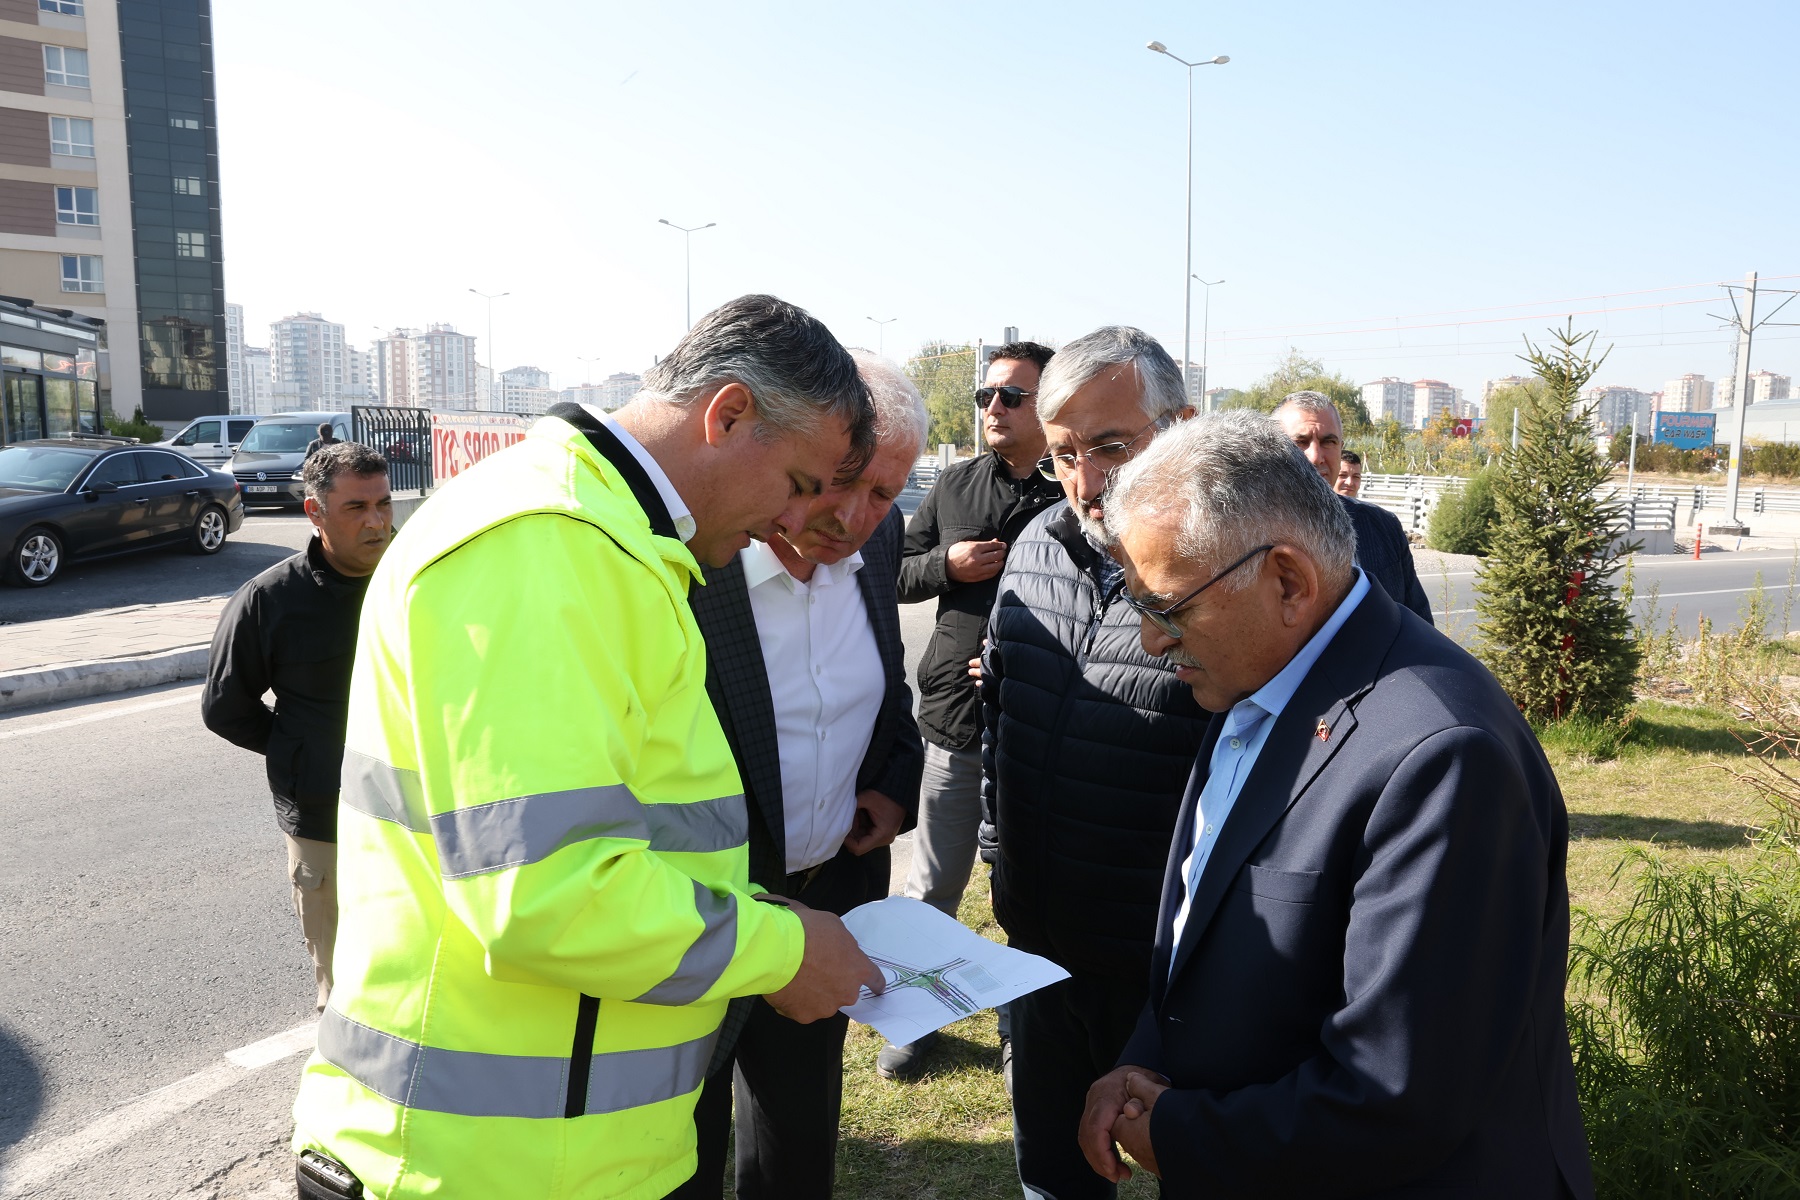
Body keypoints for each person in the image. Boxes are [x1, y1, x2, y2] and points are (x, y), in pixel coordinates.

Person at [289, 295, 885, 1199]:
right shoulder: (549, 545)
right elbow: (545, 890)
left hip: (559, 1156)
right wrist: (783, 950)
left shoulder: (609, 541)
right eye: (801, 483)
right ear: (728, 415)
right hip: (481, 1168)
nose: (792, 521)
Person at [1080, 411, 1594, 1199]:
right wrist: (1145, 1060)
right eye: (1137, 601)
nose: (1151, 642)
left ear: (1287, 582)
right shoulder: (1256, 676)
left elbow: (1397, 1092)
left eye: (1170, 609)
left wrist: (1179, 1132)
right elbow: (1205, 927)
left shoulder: (1443, 757)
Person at [678, 350, 928, 1200]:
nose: (853, 518)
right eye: (842, 481)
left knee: (797, 1143)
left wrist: (893, 780)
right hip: (703, 918)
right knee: (682, 1148)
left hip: (826, 905)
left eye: (885, 493)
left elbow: (886, 685)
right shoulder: (696, 561)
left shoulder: (879, 543)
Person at [979, 327, 1212, 1200]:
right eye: (1065, 454)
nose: (1086, 481)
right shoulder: (1037, 546)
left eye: (1111, 447)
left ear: (1181, 426)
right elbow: (1002, 715)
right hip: (1039, 953)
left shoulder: (1225, 573)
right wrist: (1002, 861)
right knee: (1054, 1175)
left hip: (1167, 977)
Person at [886, 340, 1063, 1079]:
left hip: (1046, 731)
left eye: (1011, 396)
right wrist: (946, 566)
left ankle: (1027, 1024)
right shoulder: (956, 486)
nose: (994, 407)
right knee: (933, 884)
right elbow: (894, 573)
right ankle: (916, 1014)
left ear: (1048, 405)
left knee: (1034, 890)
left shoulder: (1078, 491)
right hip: (956, 722)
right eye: (987, 395)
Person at [202, 442, 393, 1012]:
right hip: (323, 812)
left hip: (418, 812)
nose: (377, 522)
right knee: (343, 980)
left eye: (383, 504)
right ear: (315, 512)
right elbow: (225, 706)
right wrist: (299, 747)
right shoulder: (269, 599)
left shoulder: (418, 581)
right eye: (356, 508)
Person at [1272, 391, 1431, 623]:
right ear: (1273, 450)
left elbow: (1419, 624)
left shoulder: (1383, 527)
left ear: (1341, 447)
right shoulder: (1242, 534)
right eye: (1300, 442)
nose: (1316, 456)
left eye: (1328, 442)